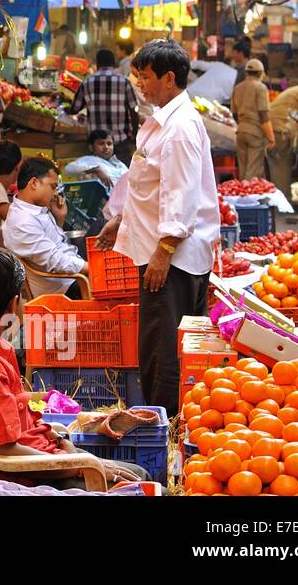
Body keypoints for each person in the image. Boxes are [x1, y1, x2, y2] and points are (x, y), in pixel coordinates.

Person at [0, 247, 146, 487]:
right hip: (24, 479)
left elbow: (9, 413)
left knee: (137, 474)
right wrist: (80, 464)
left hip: (43, 458)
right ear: (13, 303)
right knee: (143, 482)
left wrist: (58, 437)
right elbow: (6, 453)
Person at [97, 39, 219, 416]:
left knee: (162, 350)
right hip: (159, 250)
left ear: (169, 78)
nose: (139, 83)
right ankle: (171, 423)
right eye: (136, 75)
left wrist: (164, 251)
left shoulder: (179, 127)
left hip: (173, 259)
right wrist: (120, 221)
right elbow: (150, 185)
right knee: (160, 345)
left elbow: (179, 196)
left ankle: (164, 428)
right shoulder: (161, 121)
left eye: (145, 76)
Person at [1, 157, 86, 298]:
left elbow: (56, 244)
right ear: (34, 183)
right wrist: (92, 268)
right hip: (61, 288)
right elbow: (55, 260)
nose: (55, 193)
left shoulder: (36, 209)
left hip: (68, 275)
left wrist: (60, 218)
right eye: (53, 187)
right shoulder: (22, 221)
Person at [68, 49, 139, 165]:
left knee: (100, 176)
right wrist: (134, 133)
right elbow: (134, 110)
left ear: (97, 64)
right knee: (122, 177)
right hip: (119, 141)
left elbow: (74, 109)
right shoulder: (124, 82)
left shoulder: (87, 82)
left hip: (97, 143)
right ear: (113, 63)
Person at [229, 58, 274, 181]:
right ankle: (249, 197)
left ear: (246, 73)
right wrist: (271, 138)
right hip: (255, 133)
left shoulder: (237, 88)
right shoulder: (261, 88)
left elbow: (234, 113)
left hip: (241, 132)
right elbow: (263, 115)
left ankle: (241, 197)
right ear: (260, 73)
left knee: (243, 171)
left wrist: (243, 125)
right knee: (252, 172)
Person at [63, 129, 129, 188]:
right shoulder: (88, 160)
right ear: (91, 147)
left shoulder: (120, 164)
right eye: (101, 143)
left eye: (109, 144)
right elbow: (68, 170)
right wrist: (95, 169)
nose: (106, 147)